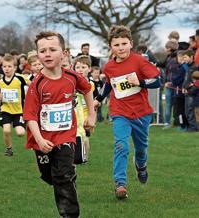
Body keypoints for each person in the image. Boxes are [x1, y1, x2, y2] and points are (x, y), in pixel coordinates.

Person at [24, 31, 95, 218]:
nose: (47, 54)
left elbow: (87, 90)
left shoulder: (72, 77)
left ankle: (70, 214)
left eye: (52, 49)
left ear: (63, 53)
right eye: (42, 50)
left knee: (63, 174)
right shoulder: (37, 84)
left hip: (66, 136)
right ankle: (67, 179)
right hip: (43, 140)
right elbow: (30, 116)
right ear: (38, 55)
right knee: (50, 177)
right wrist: (39, 139)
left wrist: (92, 116)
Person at [94, 25, 161, 200]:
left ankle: (141, 165)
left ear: (131, 44)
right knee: (121, 145)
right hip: (119, 112)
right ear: (111, 47)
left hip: (141, 113)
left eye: (124, 43)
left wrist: (140, 81)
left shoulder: (139, 61)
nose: (121, 48)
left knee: (141, 148)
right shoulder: (109, 67)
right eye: (116, 45)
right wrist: (98, 100)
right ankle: (120, 184)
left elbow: (156, 81)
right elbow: (108, 85)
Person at [0, 55, 27, 157]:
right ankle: (9, 149)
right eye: (4, 66)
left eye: (9, 66)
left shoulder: (20, 78)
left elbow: (33, 84)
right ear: (2, 68)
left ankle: (28, 125)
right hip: (5, 109)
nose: (7, 69)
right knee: (6, 130)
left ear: (14, 67)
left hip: (18, 110)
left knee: (20, 133)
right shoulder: (0, 81)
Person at [74, 55, 97, 162]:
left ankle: (85, 157)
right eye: (78, 67)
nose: (80, 70)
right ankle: (75, 155)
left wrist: (93, 117)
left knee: (86, 139)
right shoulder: (72, 82)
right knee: (76, 137)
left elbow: (96, 101)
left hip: (86, 115)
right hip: (75, 114)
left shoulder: (91, 84)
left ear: (89, 69)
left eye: (83, 67)